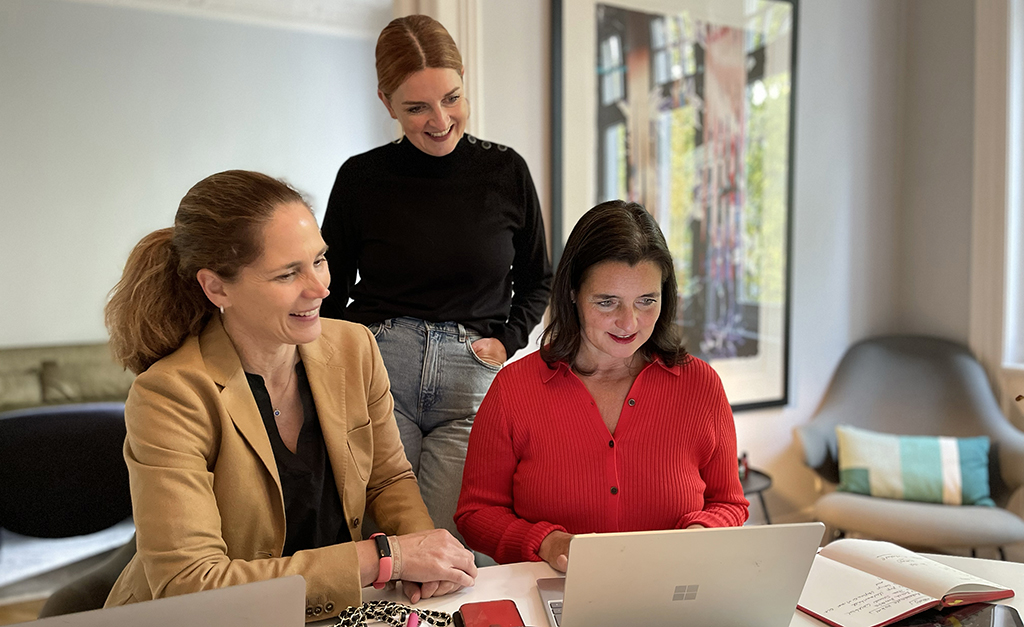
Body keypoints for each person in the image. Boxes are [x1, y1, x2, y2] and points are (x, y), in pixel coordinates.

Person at [102, 170, 476, 618]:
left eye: (319, 260)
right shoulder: (169, 395)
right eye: (287, 274)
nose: (322, 288)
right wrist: (386, 557)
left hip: (330, 609)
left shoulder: (354, 347)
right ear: (216, 286)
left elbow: (387, 477)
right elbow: (192, 586)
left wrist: (423, 551)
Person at [319, 15, 551, 542]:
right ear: (386, 103)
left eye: (451, 98)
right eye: (416, 107)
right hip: (380, 368)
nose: (440, 120)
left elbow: (539, 277)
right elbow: (327, 289)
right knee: (385, 546)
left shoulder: (506, 171)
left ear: (464, 81)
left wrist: (509, 340)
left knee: (446, 545)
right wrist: (341, 358)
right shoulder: (360, 178)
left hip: (471, 376)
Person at [454, 200, 749, 571]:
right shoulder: (513, 389)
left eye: (646, 301)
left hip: (677, 593)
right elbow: (476, 513)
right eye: (607, 302)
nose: (629, 322)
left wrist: (700, 533)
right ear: (574, 292)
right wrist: (546, 542)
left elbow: (730, 503)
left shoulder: (701, 385)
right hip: (553, 594)